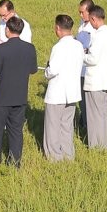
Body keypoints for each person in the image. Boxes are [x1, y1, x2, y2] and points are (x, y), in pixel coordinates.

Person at [0, 17, 38, 167]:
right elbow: (33, 69)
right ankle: (15, 161)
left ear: (7, 30)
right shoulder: (30, 48)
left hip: (2, 97)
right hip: (20, 96)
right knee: (16, 131)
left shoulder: (2, 49)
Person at [43, 14, 84, 162]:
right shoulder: (78, 45)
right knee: (66, 126)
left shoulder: (58, 47)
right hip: (72, 92)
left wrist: (46, 71)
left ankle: (54, 157)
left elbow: (52, 70)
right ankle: (68, 154)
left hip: (57, 92)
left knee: (52, 127)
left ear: (58, 28)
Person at [83, 5, 107, 149]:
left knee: (94, 116)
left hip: (96, 81)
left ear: (93, 19)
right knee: (103, 114)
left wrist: (81, 55)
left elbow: (93, 59)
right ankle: (105, 143)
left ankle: (96, 145)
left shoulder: (98, 35)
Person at [74, 0, 95, 137]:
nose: (80, 15)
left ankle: (88, 127)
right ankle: (84, 122)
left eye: (83, 12)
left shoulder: (92, 29)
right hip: (79, 69)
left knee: (87, 102)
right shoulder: (82, 25)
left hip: (87, 70)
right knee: (82, 100)